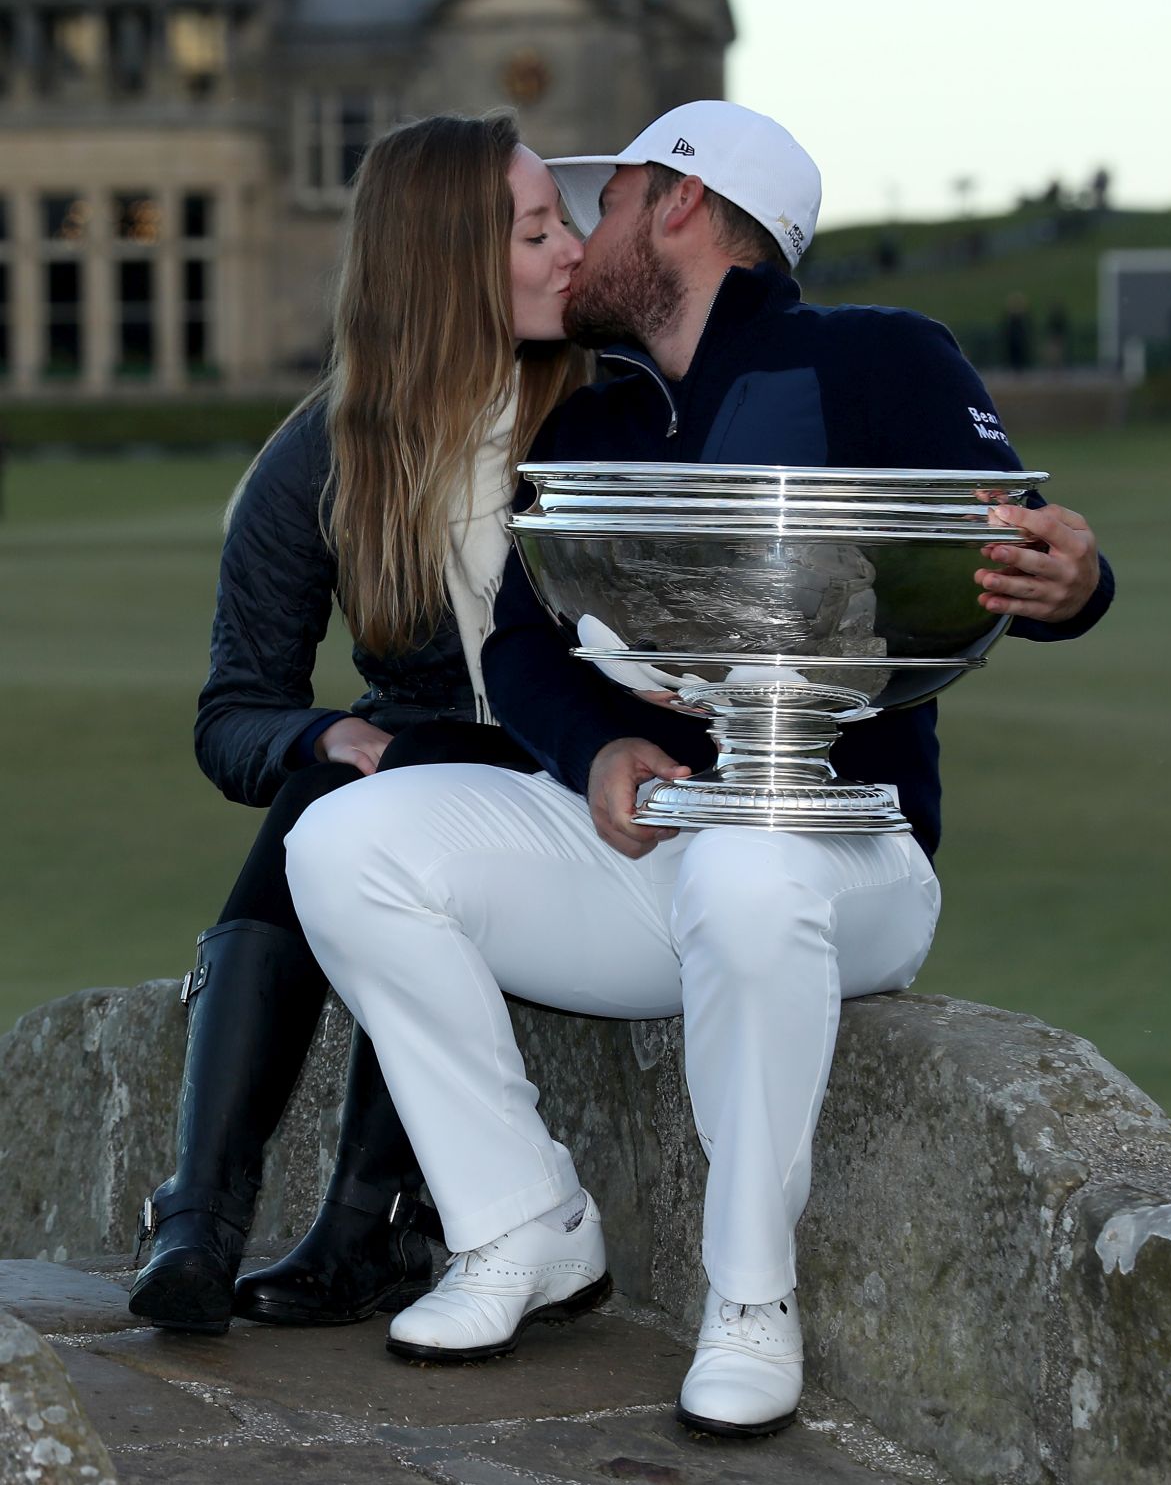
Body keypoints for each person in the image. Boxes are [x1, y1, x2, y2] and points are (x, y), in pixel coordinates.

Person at [284, 102, 1114, 1434]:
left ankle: (750, 1299)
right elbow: (520, 639)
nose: (576, 244)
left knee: (740, 865)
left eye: (603, 205)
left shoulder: (882, 356)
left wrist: (1078, 579)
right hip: (647, 854)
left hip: (842, 861)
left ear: (679, 203)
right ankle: (522, 1219)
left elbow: (1006, 544)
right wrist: (598, 742)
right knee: (345, 839)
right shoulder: (586, 420)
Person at [127, 112, 587, 1334]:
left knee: (407, 786)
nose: (573, 251)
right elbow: (232, 714)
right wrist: (319, 736)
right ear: (445, 263)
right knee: (349, 782)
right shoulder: (322, 457)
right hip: (408, 786)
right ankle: (202, 1219)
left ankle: (364, 1224)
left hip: (581, 788)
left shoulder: (614, 411)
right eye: (538, 230)